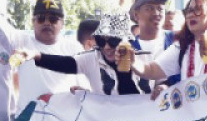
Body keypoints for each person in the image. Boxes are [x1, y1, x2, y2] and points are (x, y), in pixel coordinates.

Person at [0, 0, 86, 113]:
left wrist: (84, 91)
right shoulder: (22, 41)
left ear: (62, 23)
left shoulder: (74, 48)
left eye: (53, 19)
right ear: (33, 21)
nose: (47, 23)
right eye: (41, 18)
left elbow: (86, 86)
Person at [19, 12, 153, 95]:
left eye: (112, 41)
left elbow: (162, 83)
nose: (106, 47)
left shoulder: (144, 57)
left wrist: (163, 87)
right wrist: (36, 55)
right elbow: (66, 63)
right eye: (100, 41)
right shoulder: (91, 58)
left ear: (126, 41)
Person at [122, 0, 207, 84]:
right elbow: (151, 70)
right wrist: (133, 61)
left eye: (198, 10)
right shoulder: (181, 46)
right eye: (189, 11)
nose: (191, 15)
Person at [129, 0, 179, 83]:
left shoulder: (177, 40)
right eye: (149, 8)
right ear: (136, 14)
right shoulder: (128, 48)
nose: (156, 13)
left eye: (160, 9)